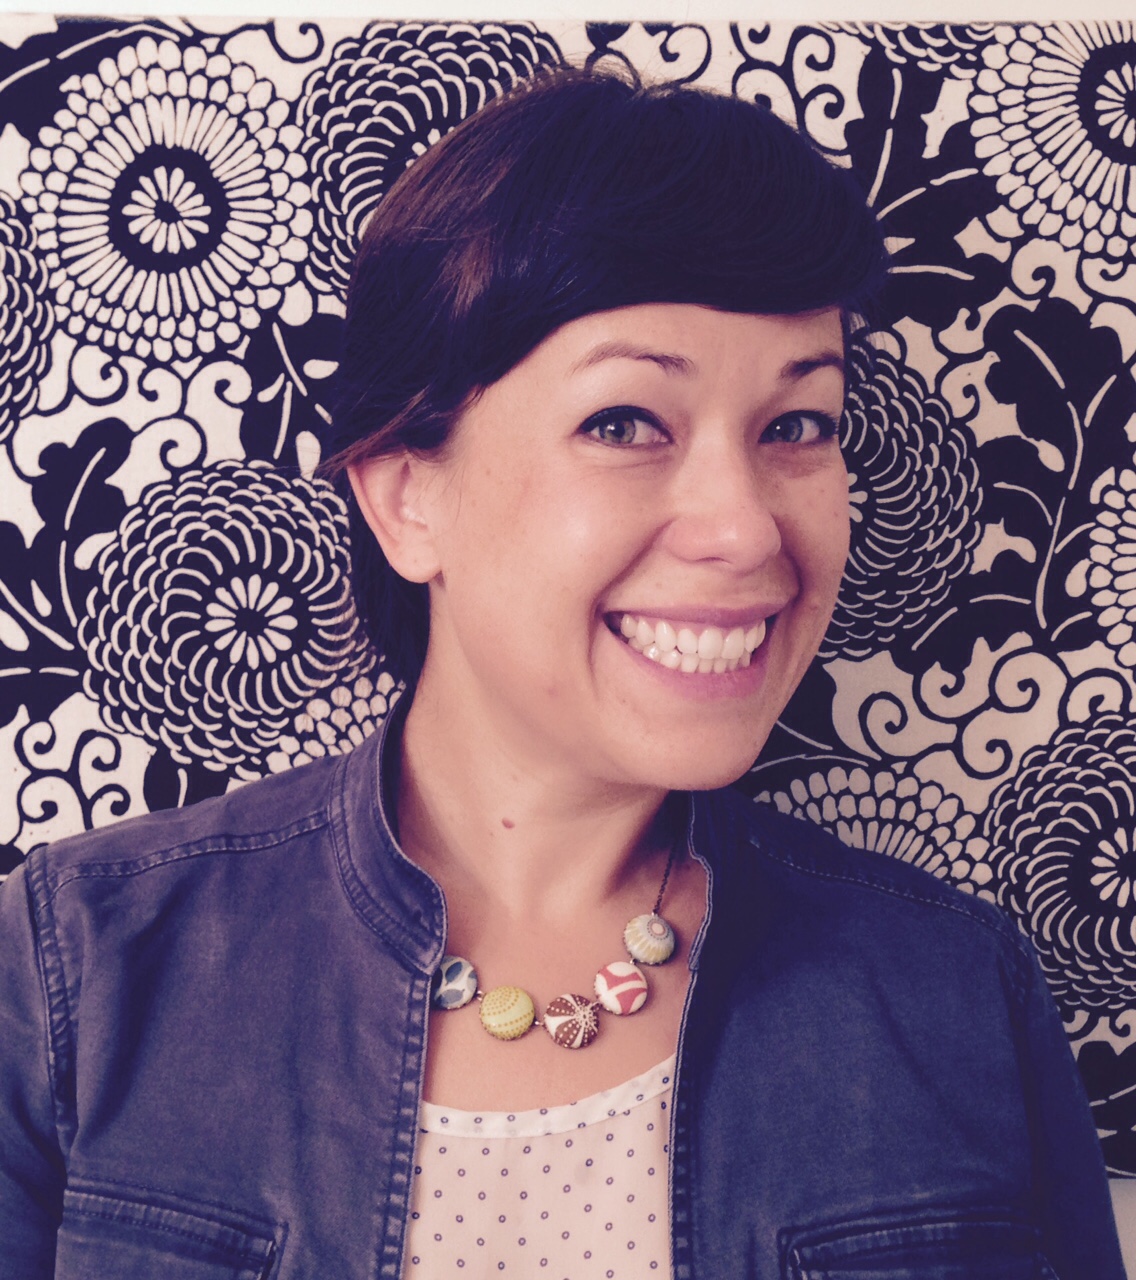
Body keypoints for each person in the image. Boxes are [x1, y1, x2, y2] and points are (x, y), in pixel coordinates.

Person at [0, 68, 1123, 1279]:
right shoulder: (76, 971)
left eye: (797, 425)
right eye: (623, 422)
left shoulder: (959, 992)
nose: (744, 527)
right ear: (407, 496)